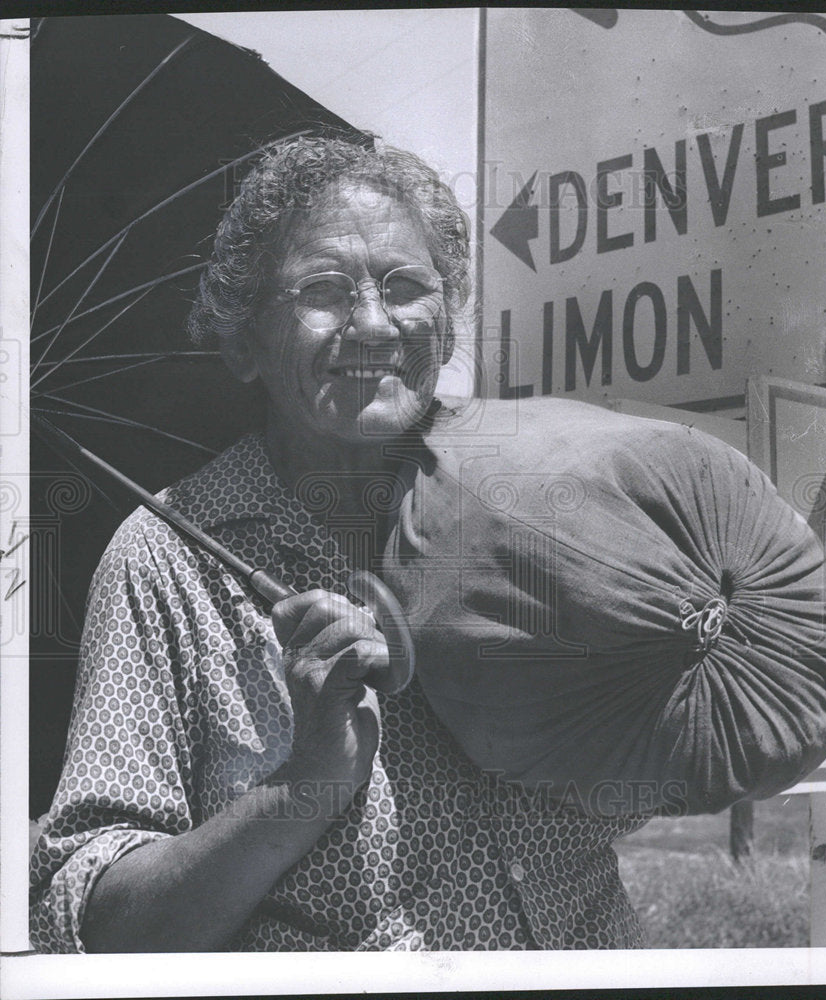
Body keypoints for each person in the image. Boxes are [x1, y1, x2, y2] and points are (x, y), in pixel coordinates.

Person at [29, 135, 648, 953]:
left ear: (447, 317)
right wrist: (304, 783)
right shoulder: (167, 560)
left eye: (404, 287)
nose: (371, 323)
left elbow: (632, 801)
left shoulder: (529, 504)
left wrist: (621, 683)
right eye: (322, 290)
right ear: (242, 341)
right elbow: (98, 930)